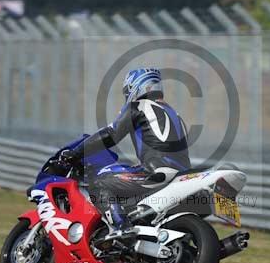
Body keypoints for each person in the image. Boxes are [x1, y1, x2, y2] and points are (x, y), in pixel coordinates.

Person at [60, 68, 190, 239]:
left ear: (135, 87)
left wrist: (77, 152)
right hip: (183, 174)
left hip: (156, 171)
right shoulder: (174, 113)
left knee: (99, 182)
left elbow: (111, 135)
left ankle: (121, 228)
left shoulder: (138, 106)